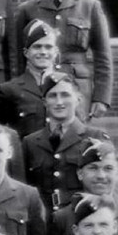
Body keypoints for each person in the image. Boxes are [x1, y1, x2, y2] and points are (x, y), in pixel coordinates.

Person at [13, 0, 112, 118]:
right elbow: (18, 59)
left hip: (78, 90)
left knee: (76, 139)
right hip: (38, 90)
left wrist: (101, 97)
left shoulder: (89, 7)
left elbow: (103, 57)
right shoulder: (27, 10)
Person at [21, 71, 112, 213]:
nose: (59, 102)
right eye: (52, 96)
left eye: (65, 95)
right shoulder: (30, 142)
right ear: (44, 102)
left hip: (80, 221)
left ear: (78, 99)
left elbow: (109, 189)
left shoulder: (95, 137)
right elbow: (24, 190)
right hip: (43, 226)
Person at [0, 19, 62, 138]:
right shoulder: (9, 90)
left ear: (56, 52)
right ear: (26, 52)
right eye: (37, 47)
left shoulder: (68, 85)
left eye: (48, 47)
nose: (43, 52)